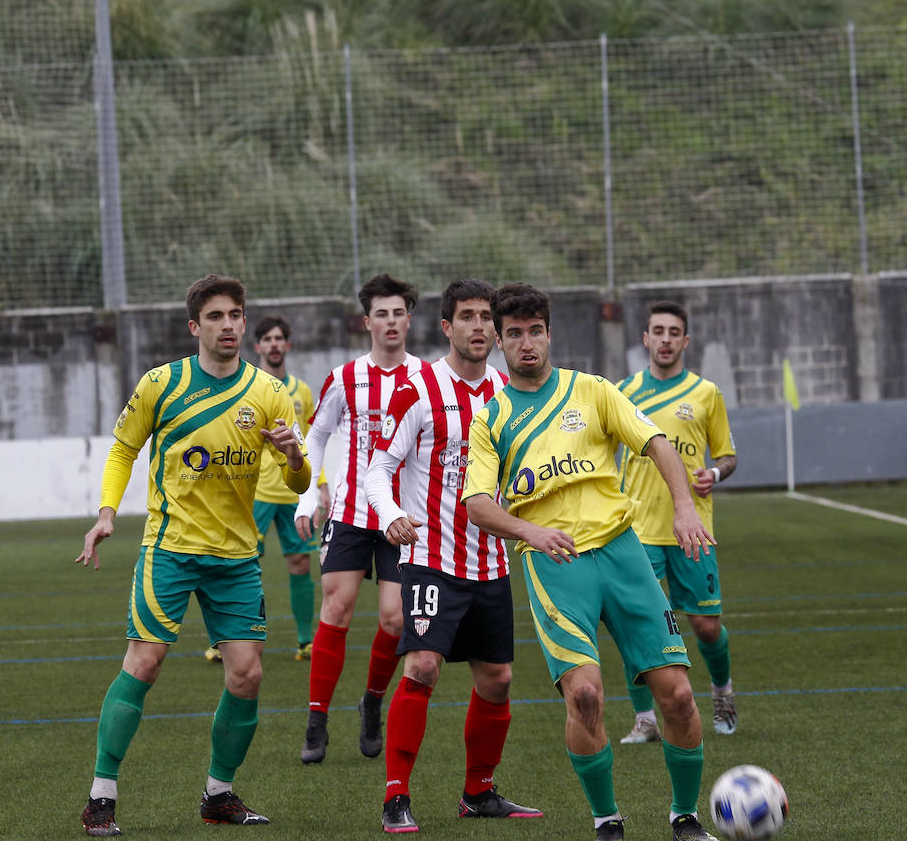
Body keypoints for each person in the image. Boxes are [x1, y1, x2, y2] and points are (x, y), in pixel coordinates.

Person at [461, 283, 721, 841]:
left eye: (535, 331)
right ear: (500, 343)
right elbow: (478, 505)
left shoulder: (593, 391)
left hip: (624, 551)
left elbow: (656, 443)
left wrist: (683, 509)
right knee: (584, 695)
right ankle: (607, 821)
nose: (526, 342)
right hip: (554, 565)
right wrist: (530, 530)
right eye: (514, 334)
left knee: (675, 692)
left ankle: (685, 816)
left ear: (549, 334)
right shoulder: (492, 418)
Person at [74, 274, 312, 836]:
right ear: (194, 326)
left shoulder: (269, 394)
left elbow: (298, 480)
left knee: (247, 677)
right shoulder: (162, 384)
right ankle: (100, 796)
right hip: (171, 550)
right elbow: (124, 448)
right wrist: (107, 512)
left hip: (235, 558)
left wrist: (295, 455)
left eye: (235, 315)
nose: (228, 325)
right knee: (145, 661)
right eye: (216, 317)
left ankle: (218, 794)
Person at [362, 278, 543, 833]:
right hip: (431, 559)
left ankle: (478, 792)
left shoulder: (507, 395)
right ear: (446, 327)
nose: (480, 327)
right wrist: (391, 514)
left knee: (499, 680)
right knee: (421, 667)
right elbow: (378, 470)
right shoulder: (417, 390)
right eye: (467, 317)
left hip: (490, 562)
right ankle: (397, 797)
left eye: (487, 317)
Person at [293, 274, 423, 764]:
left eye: (398, 313)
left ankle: (372, 702)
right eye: (381, 314)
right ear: (367, 322)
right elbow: (316, 438)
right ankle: (317, 718)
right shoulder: (344, 378)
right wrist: (309, 497)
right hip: (349, 512)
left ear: (409, 319)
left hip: (401, 519)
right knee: (337, 607)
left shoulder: (428, 378)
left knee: (394, 618)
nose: (390, 321)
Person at [615, 301, 739, 744]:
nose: (665, 339)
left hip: (693, 528)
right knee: (636, 623)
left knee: (705, 625)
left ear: (685, 341)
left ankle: (722, 690)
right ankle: (645, 717)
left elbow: (727, 455)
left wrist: (716, 473)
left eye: (674, 332)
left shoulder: (706, 393)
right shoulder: (622, 391)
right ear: (646, 339)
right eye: (657, 331)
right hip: (637, 530)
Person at [205, 315, 328, 665]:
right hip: (253, 495)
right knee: (237, 565)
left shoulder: (301, 391)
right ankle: (223, 641)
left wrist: (318, 485)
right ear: (258, 346)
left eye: (280, 339)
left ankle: (305, 641)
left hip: (292, 494)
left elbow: (309, 442)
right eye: (268, 340)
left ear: (286, 345)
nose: (274, 345)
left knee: (300, 562)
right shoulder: (244, 388)